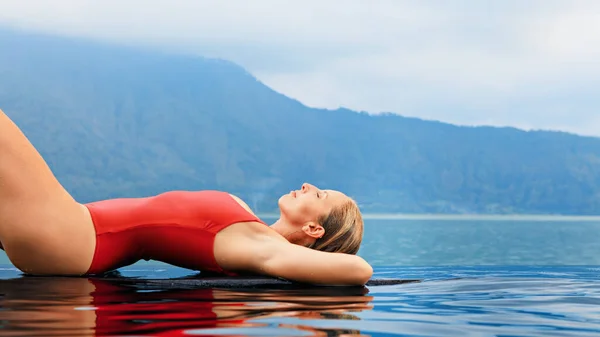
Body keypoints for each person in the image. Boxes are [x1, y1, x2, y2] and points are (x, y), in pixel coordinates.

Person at [0, 108, 372, 285]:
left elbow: (359, 270)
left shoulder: (260, 247)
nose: (308, 185)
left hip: (70, 235)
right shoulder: (250, 228)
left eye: (320, 194)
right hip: (69, 231)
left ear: (314, 228)